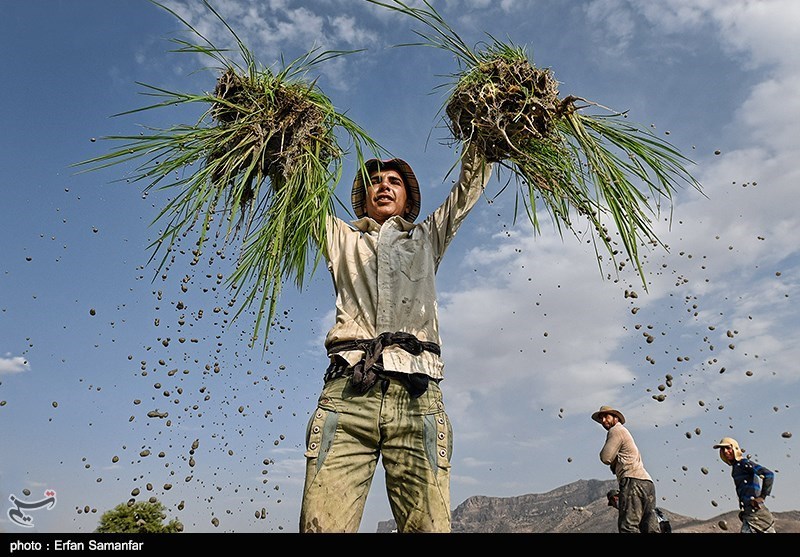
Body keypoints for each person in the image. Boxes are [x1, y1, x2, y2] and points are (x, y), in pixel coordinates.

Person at [298, 143, 493, 533]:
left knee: (429, 528)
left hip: (418, 397)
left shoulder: (426, 238)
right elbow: (300, 198)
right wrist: (287, 151)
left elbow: (466, 191)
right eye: (374, 182)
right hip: (347, 396)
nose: (383, 186)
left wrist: (484, 139)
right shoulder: (341, 237)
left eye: (393, 181)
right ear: (364, 199)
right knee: (322, 527)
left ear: (407, 201)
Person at [592, 405, 659, 533]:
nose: (603, 421)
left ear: (616, 418)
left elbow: (605, 457)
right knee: (649, 528)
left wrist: (614, 460)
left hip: (632, 481)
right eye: (601, 419)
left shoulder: (616, 430)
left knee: (629, 527)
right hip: (647, 483)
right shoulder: (625, 432)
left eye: (606, 416)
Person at [712, 437, 776, 533]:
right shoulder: (736, 466)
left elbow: (769, 474)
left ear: (735, 448)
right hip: (749, 513)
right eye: (723, 449)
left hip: (756, 514)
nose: (725, 451)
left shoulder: (743, 463)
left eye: (728, 448)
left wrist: (762, 497)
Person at [607, 489, 671, 533]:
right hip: (661, 521)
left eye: (612, 503)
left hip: (655, 524)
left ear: (614, 499)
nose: (613, 506)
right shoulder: (632, 500)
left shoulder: (627, 505)